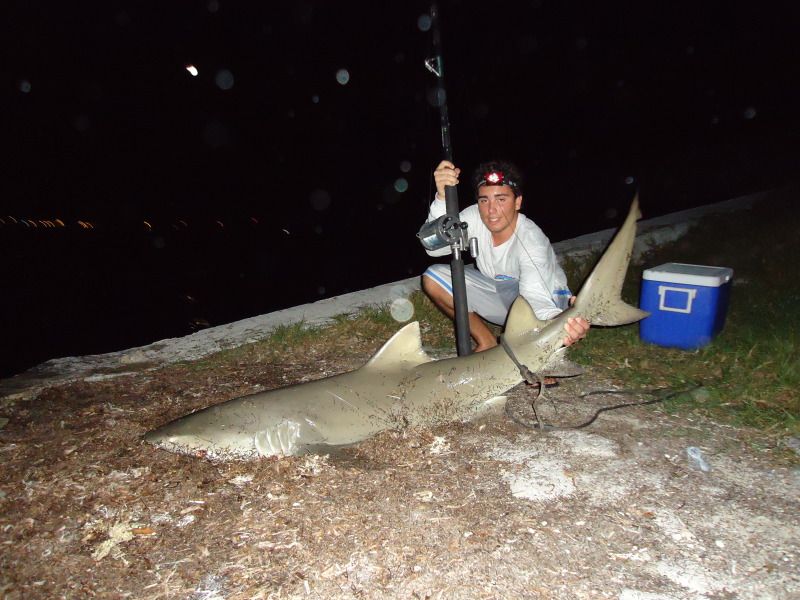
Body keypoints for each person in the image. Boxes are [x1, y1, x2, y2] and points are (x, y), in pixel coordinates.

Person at [421, 159, 590, 352]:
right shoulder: (475, 217)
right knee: (432, 279)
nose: (491, 210)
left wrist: (561, 325)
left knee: (546, 340)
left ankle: (557, 332)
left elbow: (535, 296)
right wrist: (442, 198)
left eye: (501, 199)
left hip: (544, 302)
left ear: (518, 202)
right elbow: (433, 248)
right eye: (484, 200)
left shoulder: (532, 240)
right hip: (502, 294)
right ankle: (486, 341)